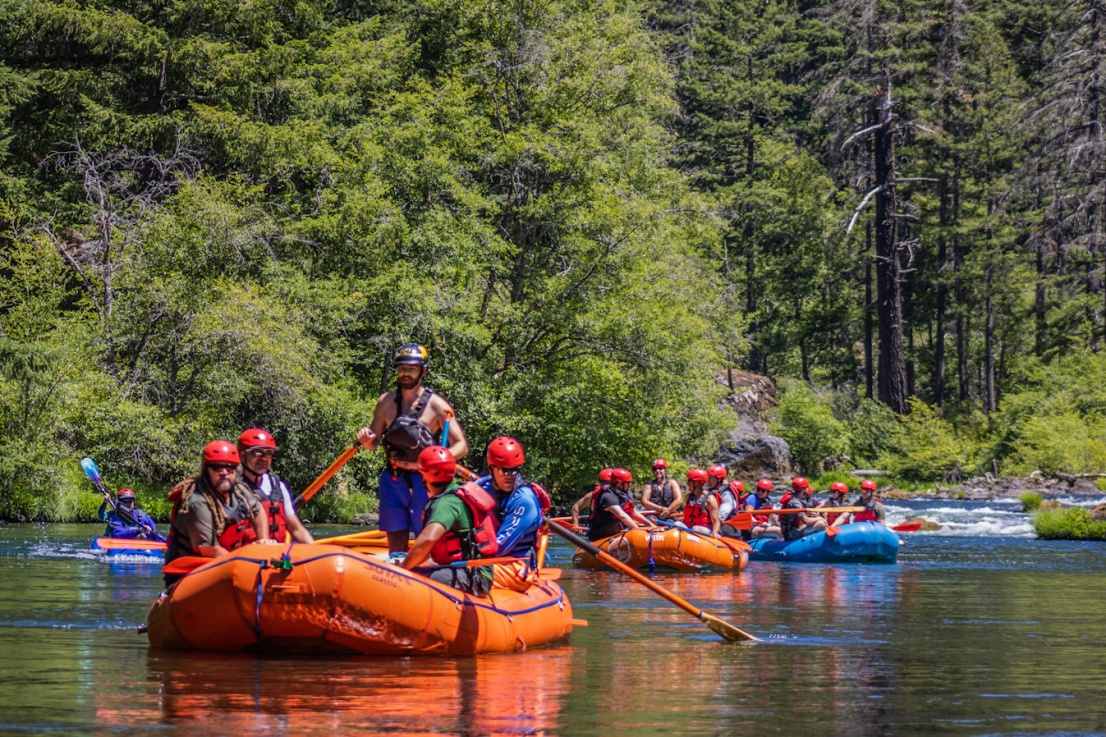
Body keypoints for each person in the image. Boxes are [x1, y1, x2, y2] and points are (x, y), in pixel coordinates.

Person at [355, 343, 469, 554]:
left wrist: (440, 458)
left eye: (411, 369)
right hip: (394, 478)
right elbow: (373, 442)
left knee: (425, 535)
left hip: (425, 481)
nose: (405, 373)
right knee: (395, 538)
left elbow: (461, 445)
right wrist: (365, 439)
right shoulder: (385, 402)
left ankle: (427, 573)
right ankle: (395, 571)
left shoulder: (437, 406)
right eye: (402, 369)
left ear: (423, 370)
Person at [164, 441, 274, 586]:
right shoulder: (197, 502)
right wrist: (245, 565)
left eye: (230, 468)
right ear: (206, 468)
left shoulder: (240, 491)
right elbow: (210, 550)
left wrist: (264, 540)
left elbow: (258, 511)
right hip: (191, 571)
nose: (224, 473)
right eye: (217, 467)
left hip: (226, 563)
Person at [401, 446, 496, 596]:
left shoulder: (448, 503)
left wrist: (401, 570)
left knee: (426, 580)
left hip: (474, 574)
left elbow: (428, 539)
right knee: (417, 573)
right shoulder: (448, 497)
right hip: (458, 569)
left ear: (424, 476)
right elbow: (428, 549)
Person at [237, 428, 314, 544]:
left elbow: (297, 530)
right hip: (244, 556)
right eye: (257, 452)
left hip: (277, 555)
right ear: (242, 455)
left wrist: (313, 550)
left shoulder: (278, 486)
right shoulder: (233, 488)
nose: (264, 458)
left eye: (268, 453)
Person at [586, 468, 648, 541]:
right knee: (620, 522)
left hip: (613, 528)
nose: (630, 485)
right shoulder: (607, 496)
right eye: (627, 483)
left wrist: (650, 524)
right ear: (619, 483)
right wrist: (639, 532)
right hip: (598, 533)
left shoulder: (622, 494)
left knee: (647, 520)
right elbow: (622, 515)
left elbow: (633, 512)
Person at [98, 488, 166, 542]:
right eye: (125, 502)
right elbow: (118, 534)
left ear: (133, 502)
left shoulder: (141, 515)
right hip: (120, 545)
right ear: (120, 503)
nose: (128, 504)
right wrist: (138, 530)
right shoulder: (115, 517)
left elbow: (157, 534)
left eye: (130, 501)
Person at [778, 476, 827, 541]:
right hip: (790, 533)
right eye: (806, 487)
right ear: (804, 489)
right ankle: (819, 544)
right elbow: (806, 521)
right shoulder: (795, 503)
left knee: (817, 521)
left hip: (791, 529)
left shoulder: (794, 498)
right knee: (820, 523)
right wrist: (819, 518)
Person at [680, 468, 721, 536]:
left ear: (696, 483)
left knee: (696, 528)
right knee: (677, 524)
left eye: (689, 481)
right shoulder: (688, 497)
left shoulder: (710, 499)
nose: (687, 484)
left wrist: (715, 532)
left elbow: (716, 521)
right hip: (689, 529)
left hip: (703, 530)